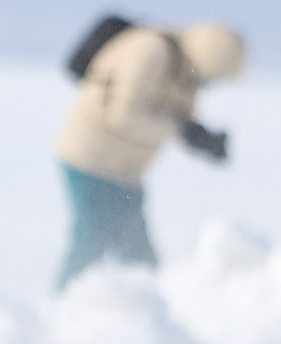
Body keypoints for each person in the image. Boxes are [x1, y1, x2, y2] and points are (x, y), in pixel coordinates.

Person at [51, 18, 246, 287]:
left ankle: (150, 309)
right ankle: (62, 304)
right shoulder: (149, 50)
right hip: (89, 157)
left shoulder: (185, 75)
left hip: (125, 169)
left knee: (137, 250)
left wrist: (201, 138)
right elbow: (123, 116)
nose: (211, 85)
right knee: (93, 236)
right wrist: (181, 130)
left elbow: (173, 117)